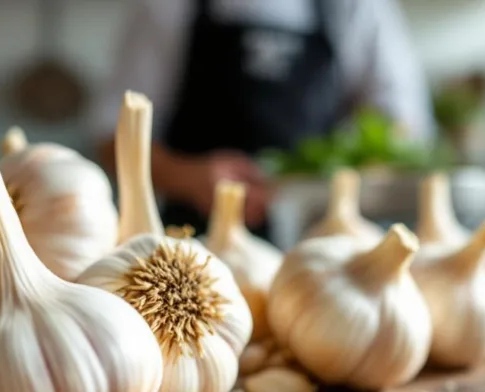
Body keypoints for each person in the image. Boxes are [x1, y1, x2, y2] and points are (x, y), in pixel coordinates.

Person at [94, 0, 435, 239]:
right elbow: (110, 135)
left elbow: (403, 125)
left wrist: (323, 184)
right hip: (192, 243)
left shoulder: (358, 7)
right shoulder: (166, 5)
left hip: (320, 244)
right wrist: (187, 176)